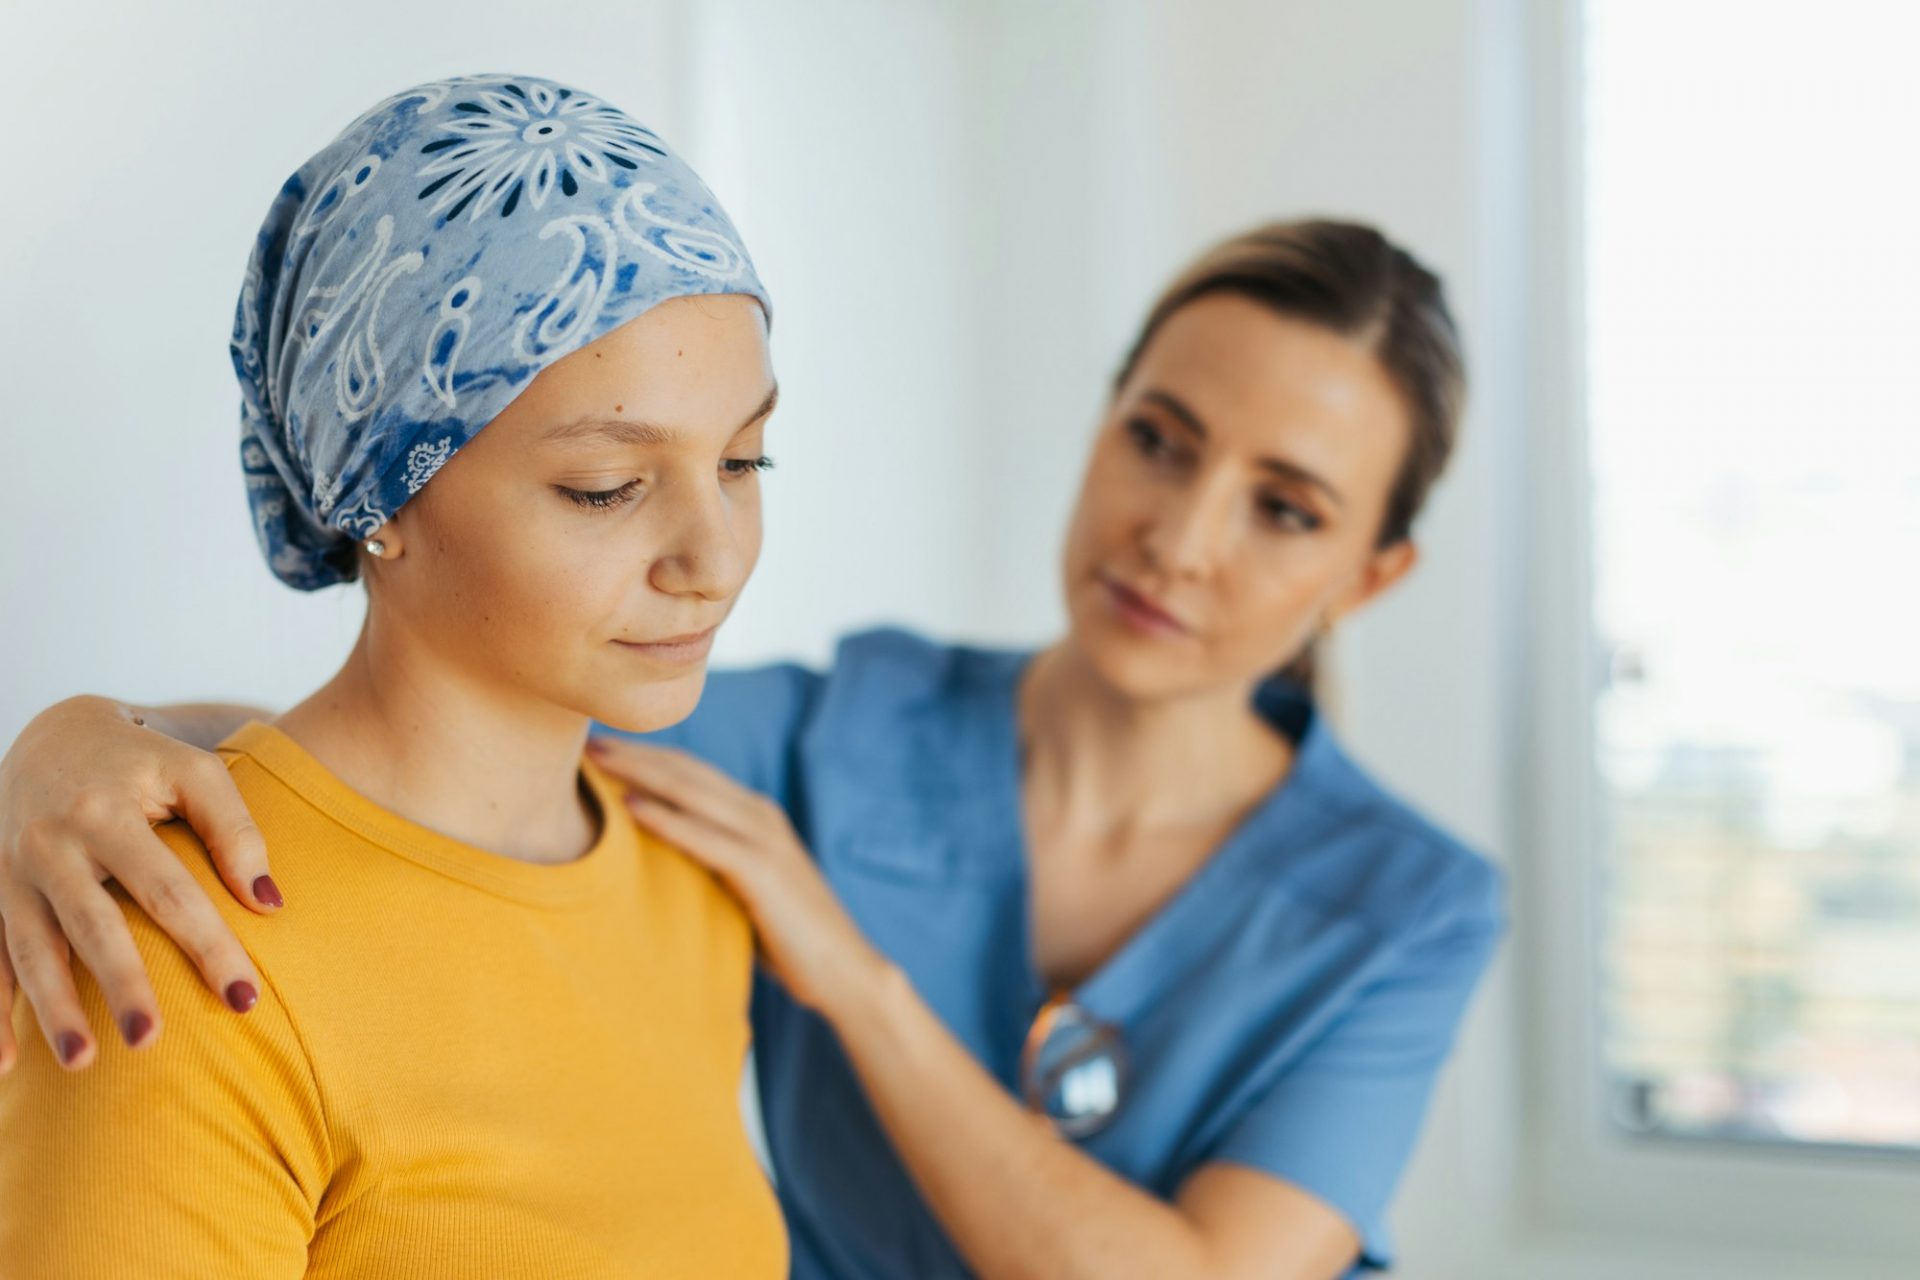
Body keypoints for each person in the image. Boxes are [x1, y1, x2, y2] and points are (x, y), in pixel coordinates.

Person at [2, 219, 1505, 1279]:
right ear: (1105, 420)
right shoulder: (820, 735)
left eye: (1286, 508)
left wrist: (854, 983)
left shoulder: (1408, 904)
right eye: (1160, 439)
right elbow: (438, 749)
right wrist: (74, 746)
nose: (1179, 538)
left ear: (1369, 574)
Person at [0, 72, 789, 1277]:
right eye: (605, 487)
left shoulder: (693, 886)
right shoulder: (181, 938)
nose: (716, 554)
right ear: (383, 499)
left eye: (744, 459)